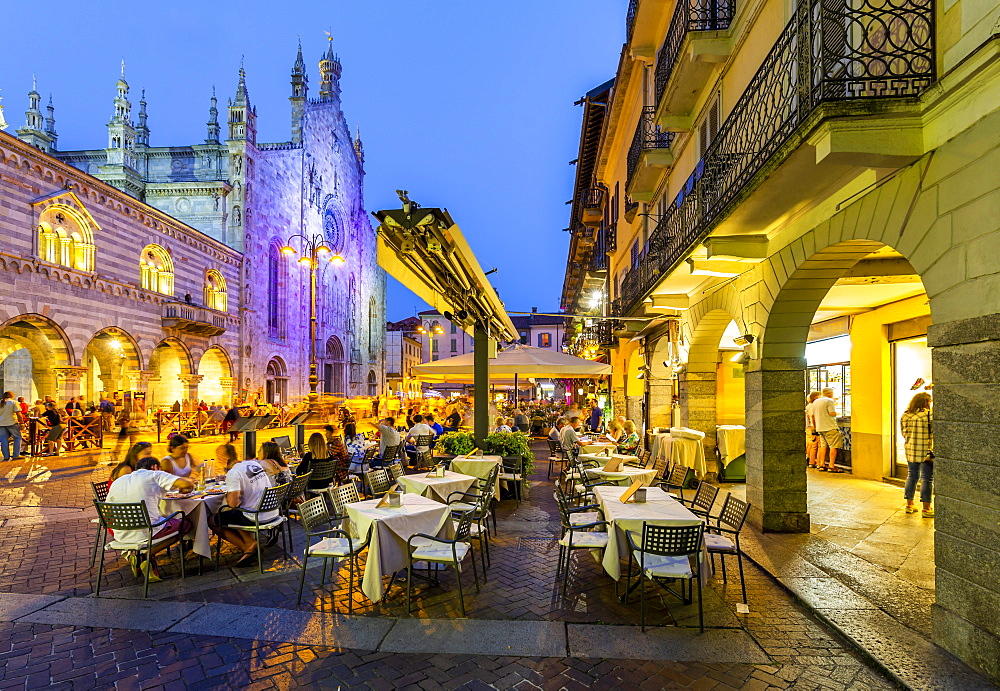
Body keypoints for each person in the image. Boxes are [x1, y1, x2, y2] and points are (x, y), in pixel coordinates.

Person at [106, 456, 194, 581]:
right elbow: (187, 484)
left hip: (121, 533)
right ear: (155, 467)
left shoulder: (118, 481)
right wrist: (186, 488)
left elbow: (109, 509)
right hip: (147, 531)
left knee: (159, 518)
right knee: (185, 524)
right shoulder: (154, 474)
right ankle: (146, 555)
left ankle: (139, 557)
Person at [210, 448, 278, 568]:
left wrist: (229, 494)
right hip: (272, 512)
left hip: (255, 516)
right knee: (236, 513)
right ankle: (249, 544)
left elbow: (232, 503)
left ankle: (248, 546)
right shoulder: (253, 464)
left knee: (213, 519)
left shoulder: (233, 473)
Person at [901, 392, 934, 517]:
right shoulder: (928, 416)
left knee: (912, 476)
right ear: (926, 402)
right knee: (927, 478)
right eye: (929, 402)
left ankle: (909, 505)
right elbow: (933, 432)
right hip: (926, 452)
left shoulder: (906, 415)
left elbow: (903, 433)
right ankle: (926, 508)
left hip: (910, 450)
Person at [810, 388, 844, 472]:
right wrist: (839, 413)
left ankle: (821, 464)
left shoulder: (815, 402)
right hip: (830, 427)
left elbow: (813, 416)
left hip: (820, 428)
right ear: (830, 394)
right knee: (833, 446)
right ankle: (831, 465)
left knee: (823, 446)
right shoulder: (829, 401)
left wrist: (815, 426)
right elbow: (832, 413)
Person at [0, 392, 24, 461]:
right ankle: (16, 455)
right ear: (12, 396)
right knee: (17, 438)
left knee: (3, 439)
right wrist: (22, 422)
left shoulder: (1, 402)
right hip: (12, 422)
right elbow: (18, 413)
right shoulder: (13, 402)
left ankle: (6, 456)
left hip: (1, 423)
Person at [805, 391, 822, 468]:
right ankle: (819, 463)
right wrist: (814, 426)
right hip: (815, 427)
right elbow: (812, 416)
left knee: (813, 445)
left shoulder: (809, 406)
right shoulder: (814, 406)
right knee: (818, 445)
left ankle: (811, 461)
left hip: (811, 427)